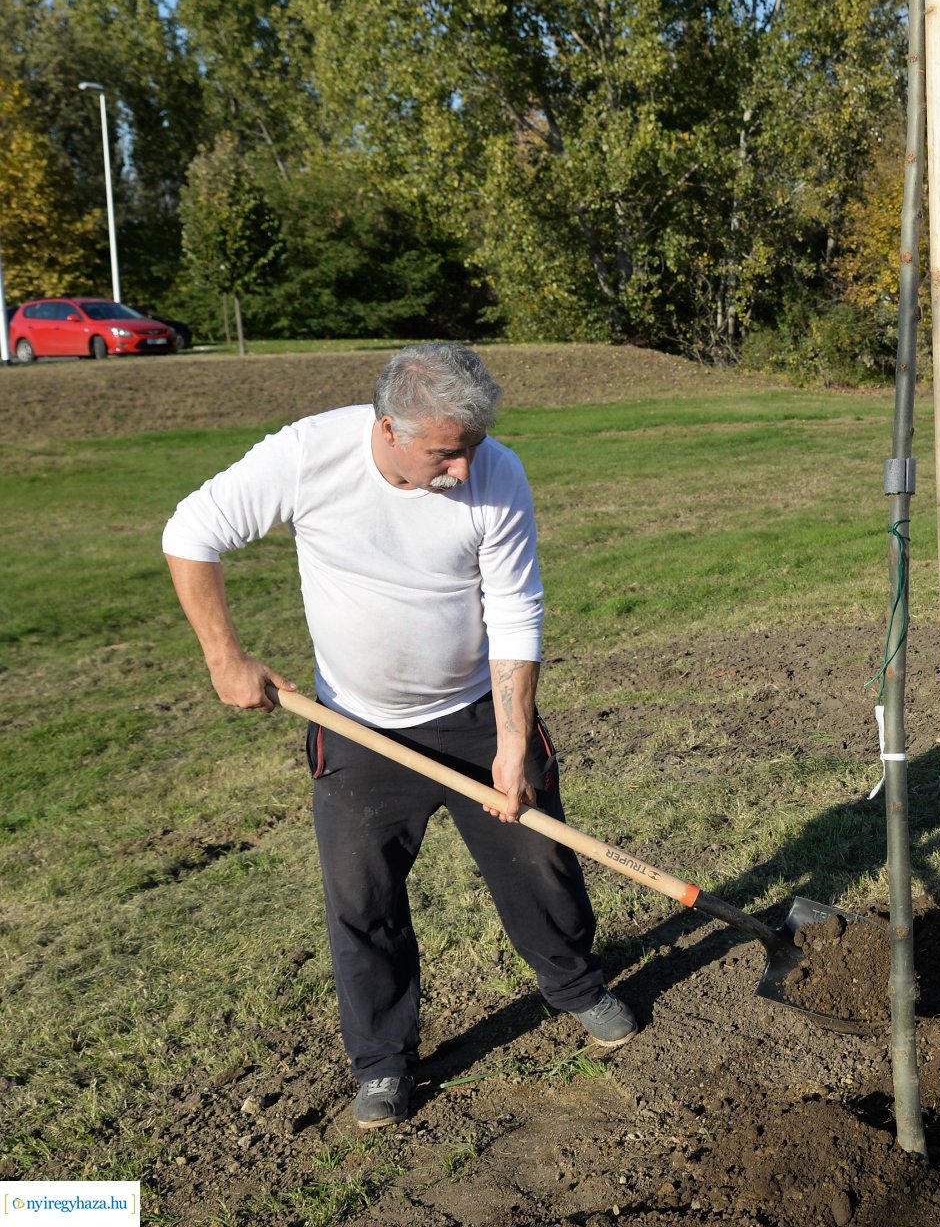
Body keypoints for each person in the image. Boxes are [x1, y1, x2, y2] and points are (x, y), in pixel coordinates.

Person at [162, 343, 635, 1129]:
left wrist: (513, 743)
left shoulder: (497, 472)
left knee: (541, 863)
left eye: (470, 450)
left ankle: (578, 987)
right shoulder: (309, 454)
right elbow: (191, 531)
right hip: (355, 724)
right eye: (445, 453)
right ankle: (383, 1063)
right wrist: (225, 658)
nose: (460, 470)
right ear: (388, 428)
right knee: (363, 899)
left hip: (476, 713)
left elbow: (516, 610)